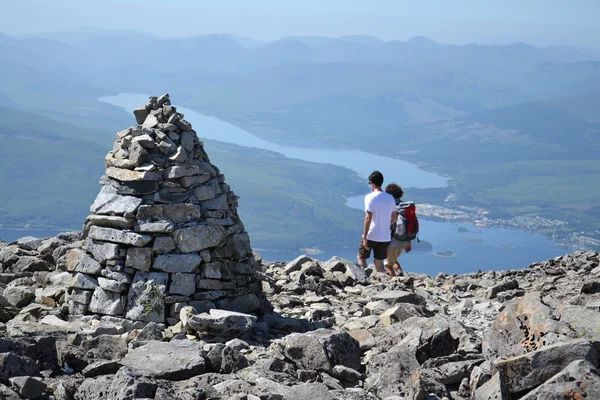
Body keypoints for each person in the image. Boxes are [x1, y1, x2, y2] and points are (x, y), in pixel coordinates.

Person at [357, 171, 398, 273]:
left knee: (361, 257)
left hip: (371, 234)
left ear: (372, 183)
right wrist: (385, 224)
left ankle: (364, 278)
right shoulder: (390, 197)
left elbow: (368, 218)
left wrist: (365, 237)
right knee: (379, 262)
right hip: (385, 236)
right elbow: (395, 217)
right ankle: (383, 284)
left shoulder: (369, 197)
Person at [384, 183, 412, 276]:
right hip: (403, 241)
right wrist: (409, 243)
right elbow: (409, 226)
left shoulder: (390, 207)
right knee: (394, 260)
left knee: (388, 265)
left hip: (392, 241)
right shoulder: (405, 207)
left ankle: (395, 285)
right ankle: (400, 274)